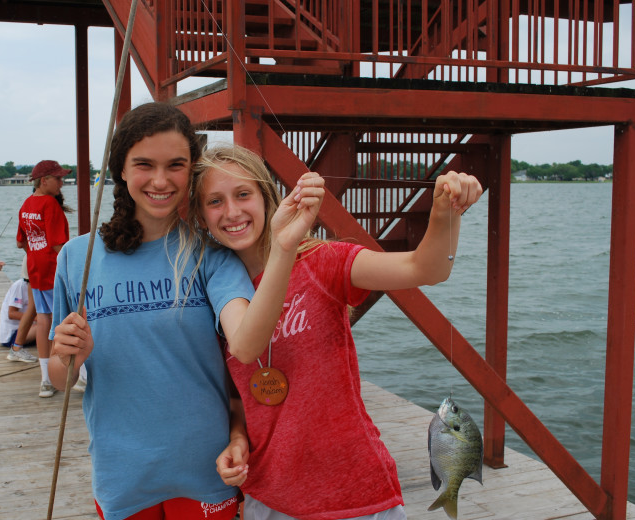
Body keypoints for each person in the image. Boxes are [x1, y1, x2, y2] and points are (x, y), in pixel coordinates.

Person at [49, 102, 324, 520]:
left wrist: (285, 246)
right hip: (122, 476)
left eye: (175, 165)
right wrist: (65, 356)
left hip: (207, 471)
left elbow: (246, 342)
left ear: (190, 170)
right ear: (121, 169)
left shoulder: (212, 255)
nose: (160, 180)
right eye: (144, 164)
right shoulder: (76, 258)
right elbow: (60, 376)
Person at [189, 145, 484, 520]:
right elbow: (235, 397)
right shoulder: (214, 293)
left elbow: (424, 268)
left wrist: (445, 213)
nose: (231, 212)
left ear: (267, 198)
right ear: (200, 215)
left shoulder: (323, 262)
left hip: (357, 493)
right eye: (215, 201)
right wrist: (236, 438)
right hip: (270, 495)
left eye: (243, 194)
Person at [16, 159, 70, 398]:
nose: (62, 182)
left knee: (43, 319)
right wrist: (75, 265)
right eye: (58, 178)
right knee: (68, 319)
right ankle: (79, 375)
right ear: (44, 180)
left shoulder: (27, 204)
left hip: (34, 269)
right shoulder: (49, 204)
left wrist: (35, 253)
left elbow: (20, 242)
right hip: (53, 270)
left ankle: (46, 379)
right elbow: (59, 245)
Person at [0, 256, 38, 363]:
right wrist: (36, 318)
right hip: (11, 335)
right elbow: (11, 313)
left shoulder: (36, 287)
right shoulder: (20, 286)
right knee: (44, 324)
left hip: (27, 329)